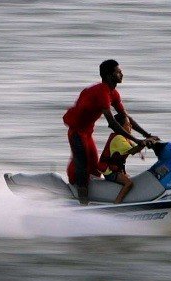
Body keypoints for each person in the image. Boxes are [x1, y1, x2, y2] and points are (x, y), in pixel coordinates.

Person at [63, 59, 157, 205]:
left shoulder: (114, 93)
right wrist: (137, 140)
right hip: (77, 132)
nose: (122, 74)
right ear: (109, 75)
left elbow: (126, 118)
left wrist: (147, 135)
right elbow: (112, 123)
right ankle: (82, 204)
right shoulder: (102, 92)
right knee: (82, 166)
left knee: (94, 167)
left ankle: (97, 197)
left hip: (87, 133)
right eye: (118, 72)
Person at [98, 113, 158, 204]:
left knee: (132, 180)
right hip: (110, 171)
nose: (131, 126)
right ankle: (116, 204)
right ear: (121, 127)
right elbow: (133, 151)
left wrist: (149, 142)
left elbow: (137, 148)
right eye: (128, 125)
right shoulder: (118, 138)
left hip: (117, 169)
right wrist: (146, 141)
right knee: (129, 183)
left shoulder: (125, 138)